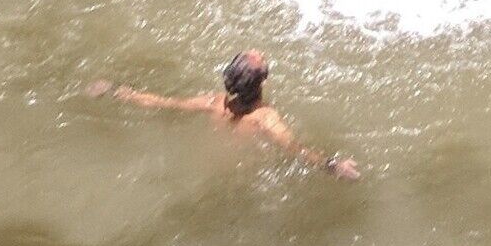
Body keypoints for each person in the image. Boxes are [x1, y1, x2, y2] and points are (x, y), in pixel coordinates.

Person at [93, 52, 359, 176]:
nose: (259, 52)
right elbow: (296, 151)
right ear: (263, 84)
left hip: (201, 169)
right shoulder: (265, 118)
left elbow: (162, 102)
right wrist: (333, 166)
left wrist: (115, 90)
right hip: (237, 178)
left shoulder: (213, 103)